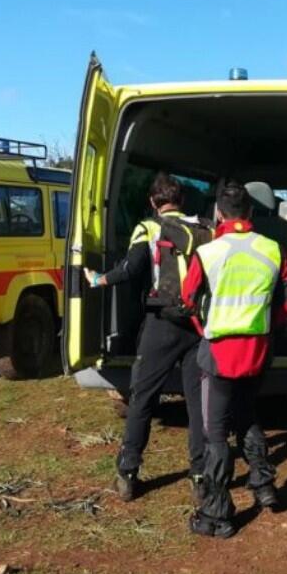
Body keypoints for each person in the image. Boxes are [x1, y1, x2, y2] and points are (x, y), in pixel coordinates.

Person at [83, 171, 211, 502]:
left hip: (162, 323)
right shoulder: (205, 229)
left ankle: (128, 473)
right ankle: (200, 476)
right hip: (197, 324)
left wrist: (99, 279)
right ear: (180, 201)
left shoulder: (148, 227)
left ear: (153, 202)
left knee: (143, 398)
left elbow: (132, 269)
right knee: (197, 405)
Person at [181, 180, 287, 538]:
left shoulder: (208, 252)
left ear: (219, 213)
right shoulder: (274, 250)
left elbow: (188, 299)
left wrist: (203, 326)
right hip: (258, 351)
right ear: (251, 213)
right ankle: (264, 486)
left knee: (215, 432)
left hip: (218, 353)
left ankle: (218, 514)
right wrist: (265, 327)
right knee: (247, 416)